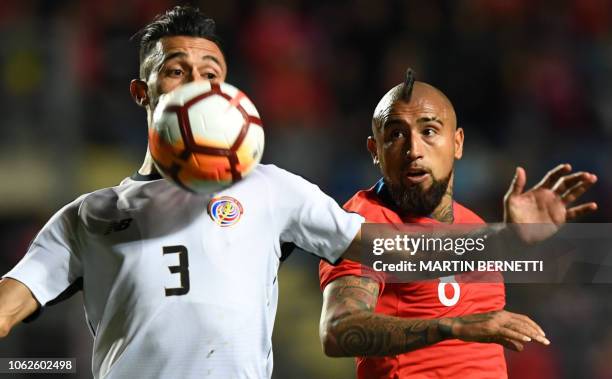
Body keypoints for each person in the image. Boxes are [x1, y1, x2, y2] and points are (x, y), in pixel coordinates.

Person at [0, 6, 594, 379]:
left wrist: (505, 239)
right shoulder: (91, 215)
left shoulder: (270, 188)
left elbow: (392, 252)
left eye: (212, 71)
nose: (198, 82)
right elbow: (9, 307)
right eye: (177, 69)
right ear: (141, 92)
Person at [318, 72, 598, 378]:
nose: (414, 149)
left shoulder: (472, 223)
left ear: (457, 143)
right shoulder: (363, 224)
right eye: (396, 134)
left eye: (429, 130)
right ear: (376, 151)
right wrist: (453, 326)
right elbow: (337, 330)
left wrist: (512, 237)